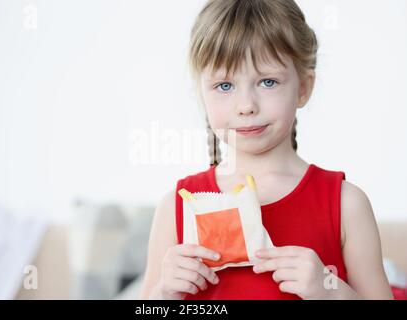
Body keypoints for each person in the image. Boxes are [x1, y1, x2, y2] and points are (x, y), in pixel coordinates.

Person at [139, 0, 393, 300]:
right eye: (224, 85)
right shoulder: (176, 207)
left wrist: (332, 292)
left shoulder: (346, 204)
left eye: (268, 81)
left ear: (303, 88)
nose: (246, 105)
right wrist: (163, 293)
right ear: (201, 93)